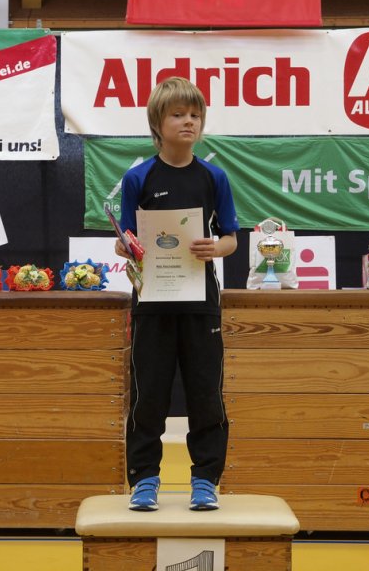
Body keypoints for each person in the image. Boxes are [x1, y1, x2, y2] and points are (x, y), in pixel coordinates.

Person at [115, 76, 239, 511]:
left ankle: (205, 480)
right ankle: (144, 479)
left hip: (200, 301)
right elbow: (125, 239)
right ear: (157, 123)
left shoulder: (214, 177)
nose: (189, 121)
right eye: (178, 114)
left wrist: (215, 248)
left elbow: (231, 238)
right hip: (151, 300)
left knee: (206, 393)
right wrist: (126, 246)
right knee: (148, 394)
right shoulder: (138, 177)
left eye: (195, 115)